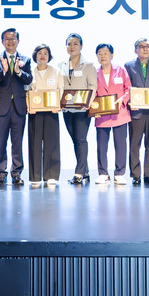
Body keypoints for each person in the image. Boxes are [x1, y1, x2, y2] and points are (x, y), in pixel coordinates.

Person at [0, 28, 33, 186]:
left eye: (13, 39)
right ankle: (1, 173)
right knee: (1, 142)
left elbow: (29, 80)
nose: (10, 41)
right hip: (1, 107)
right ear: (2, 42)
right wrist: (4, 71)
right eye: (7, 39)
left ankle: (17, 173)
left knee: (17, 142)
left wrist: (19, 72)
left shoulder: (25, 59)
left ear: (18, 41)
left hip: (19, 107)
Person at [123, 38, 149, 186]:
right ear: (136, 50)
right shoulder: (129, 65)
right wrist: (130, 101)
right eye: (141, 47)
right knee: (134, 144)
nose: (145, 49)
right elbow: (127, 87)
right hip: (136, 111)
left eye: (147, 46)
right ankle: (136, 175)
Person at [58, 33, 97, 185]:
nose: (72, 46)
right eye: (69, 44)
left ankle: (79, 173)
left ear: (81, 46)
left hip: (82, 109)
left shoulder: (89, 65)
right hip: (66, 109)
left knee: (81, 139)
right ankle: (85, 171)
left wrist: (89, 103)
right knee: (75, 140)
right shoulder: (61, 65)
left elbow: (92, 86)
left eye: (75, 43)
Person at [93, 43, 131, 185]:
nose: (102, 56)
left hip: (120, 113)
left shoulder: (120, 70)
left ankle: (119, 173)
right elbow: (92, 92)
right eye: (99, 53)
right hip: (101, 114)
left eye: (105, 53)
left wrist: (123, 100)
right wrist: (94, 109)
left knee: (120, 145)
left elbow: (128, 89)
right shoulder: (94, 72)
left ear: (112, 55)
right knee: (101, 146)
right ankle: (103, 173)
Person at [27, 44, 64, 186]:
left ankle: (51, 175)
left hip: (51, 112)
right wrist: (29, 106)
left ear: (49, 56)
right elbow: (26, 91)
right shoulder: (30, 71)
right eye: (39, 53)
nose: (42, 56)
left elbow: (61, 90)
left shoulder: (56, 71)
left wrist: (57, 106)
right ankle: (35, 176)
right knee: (34, 144)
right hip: (34, 112)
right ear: (35, 55)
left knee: (51, 143)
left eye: (45, 53)